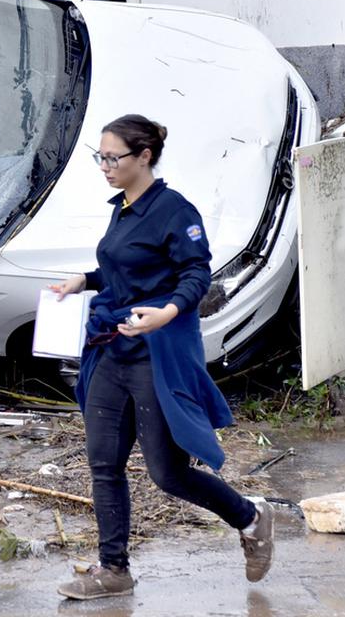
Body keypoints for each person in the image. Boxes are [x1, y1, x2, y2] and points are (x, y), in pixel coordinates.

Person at [52, 114, 274, 601]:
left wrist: (166, 312)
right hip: (113, 350)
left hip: (156, 355)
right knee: (103, 464)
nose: (104, 166)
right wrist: (84, 282)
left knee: (166, 473)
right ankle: (114, 571)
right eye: (101, 157)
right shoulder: (124, 208)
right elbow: (123, 267)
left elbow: (197, 276)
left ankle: (251, 519)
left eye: (113, 158)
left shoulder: (175, 210)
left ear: (144, 157)